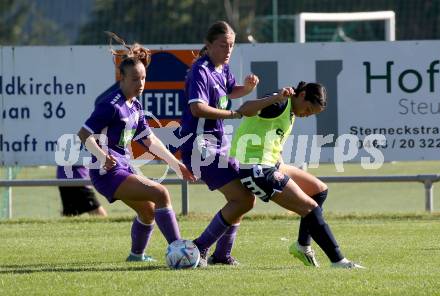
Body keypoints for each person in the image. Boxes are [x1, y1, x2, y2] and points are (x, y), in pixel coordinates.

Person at [77, 32, 196, 262]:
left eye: (142, 78)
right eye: (134, 79)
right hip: (107, 172)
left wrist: (176, 163)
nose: (140, 83)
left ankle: (136, 256)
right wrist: (102, 156)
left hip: (123, 167)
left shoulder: (135, 105)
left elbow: (150, 140)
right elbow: (83, 135)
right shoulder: (110, 105)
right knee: (160, 193)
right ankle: (180, 252)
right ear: (121, 79)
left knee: (148, 210)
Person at [229, 81, 365, 269]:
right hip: (255, 169)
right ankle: (338, 261)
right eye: (308, 109)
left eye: (312, 114)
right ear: (301, 95)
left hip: (272, 164)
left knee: (319, 191)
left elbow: (270, 136)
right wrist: (276, 97)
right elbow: (244, 109)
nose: (307, 115)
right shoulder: (280, 102)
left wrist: (280, 162)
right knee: (310, 207)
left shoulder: (290, 110)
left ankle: (302, 245)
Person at [178, 20, 259, 267]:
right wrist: (235, 114)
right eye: (223, 45)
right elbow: (198, 108)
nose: (228, 50)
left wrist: (246, 89)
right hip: (200, 147)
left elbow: (229, 91)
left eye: (232, 45)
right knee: (243, 199)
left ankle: (221, 255)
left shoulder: (222, 68)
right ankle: (200, 247)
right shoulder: (200, 70)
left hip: (218, 145)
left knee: (245, 197)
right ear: (209, 45)